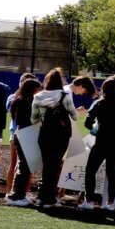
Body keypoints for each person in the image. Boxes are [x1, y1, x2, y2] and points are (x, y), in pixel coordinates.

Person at [80, 78, 115, 211]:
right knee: (112, 174)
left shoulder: (99, 103)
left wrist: (94, 129)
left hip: (101, 142)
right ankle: (110, 203)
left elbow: (88, 121)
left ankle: (90, 201)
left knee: (90, 171)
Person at [30, 68, 78, 208]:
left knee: (46, 166)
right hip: (61, 136)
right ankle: (49, 198)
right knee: (55, 166)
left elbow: (33, 120)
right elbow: (75, 116)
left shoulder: (37, 97)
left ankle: (41, 197)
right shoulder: (65, 96)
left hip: (44, 134)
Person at [5, 78, 42, 207]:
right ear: (32, 89)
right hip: (25, 135)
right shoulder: (23, 102)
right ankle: (15, 196)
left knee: (25, 167)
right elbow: (25, 120)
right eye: (38, 88)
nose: (40, 91)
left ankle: (20, 194)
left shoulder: (21, 100)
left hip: (24, 135)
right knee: (24, 167)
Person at [4, 73, 37, 186]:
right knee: (16, 163)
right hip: (17, 133)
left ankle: (20, 191)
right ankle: (11, 191)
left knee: (26, 165)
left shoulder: (33, 98)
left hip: (24, 133)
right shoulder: (15, 98)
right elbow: (11, 113)